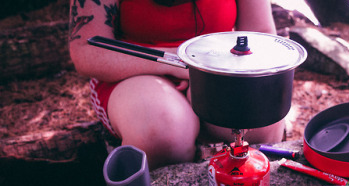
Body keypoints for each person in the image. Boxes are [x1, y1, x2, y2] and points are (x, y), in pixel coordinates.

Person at [69, 0, 285, 169]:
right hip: (132, 70)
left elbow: (260, 35)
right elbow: (87, 51)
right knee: (164, 133)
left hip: (215, 65)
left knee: (261, 121)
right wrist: (178, 63)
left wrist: (207, 71)